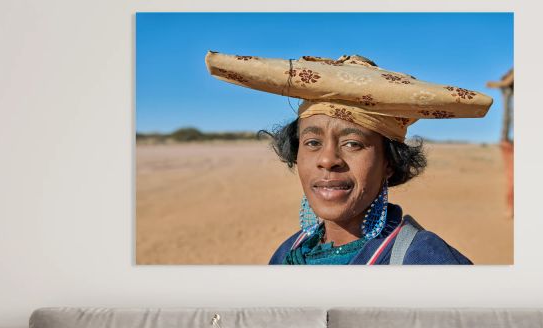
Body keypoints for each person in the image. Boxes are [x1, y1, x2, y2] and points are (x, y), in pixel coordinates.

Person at [205, 51, 493, 265]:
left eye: (353, 144)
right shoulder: (287, 254)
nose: (328, 159)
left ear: (389, 163)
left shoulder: (424, 260)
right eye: (313, 142)